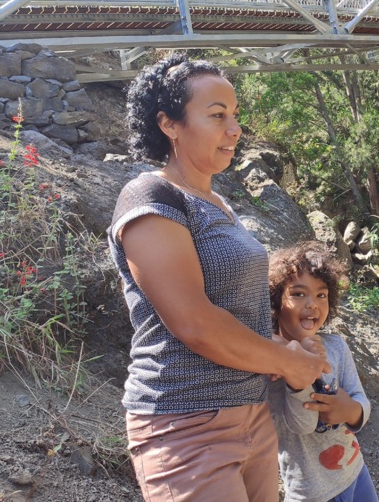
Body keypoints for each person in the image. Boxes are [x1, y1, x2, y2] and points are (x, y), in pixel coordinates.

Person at [108, 54, 330, 502]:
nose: (234, 129)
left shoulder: (218, 204)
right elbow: (194, 322)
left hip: (251, 415)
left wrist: (292, 340)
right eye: (216, 116)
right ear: (169, 124)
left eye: (235, 116)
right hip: (185, 422)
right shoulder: (150, 196)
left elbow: (237, 309)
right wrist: (284, 361)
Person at [267, 243, 379, 502]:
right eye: (298, 294)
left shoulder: (336, 346)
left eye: (321, 295)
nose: (312, 304)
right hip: (312, 492)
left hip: (355, 470)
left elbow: (359, 397)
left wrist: (352, 410)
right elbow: (302, 425)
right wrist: (300, 365)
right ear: (275, 301)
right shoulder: (273, 362)